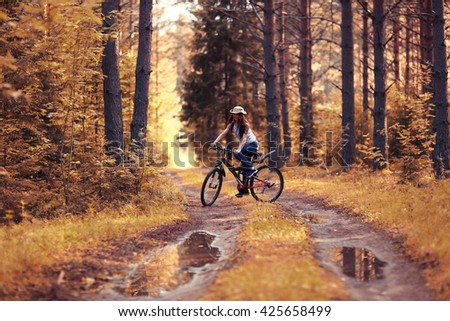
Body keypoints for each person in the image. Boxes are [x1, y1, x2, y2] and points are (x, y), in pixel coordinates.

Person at [212, 105, 259, 197]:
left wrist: (239, 149)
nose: (235, 116)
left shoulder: (245, 125)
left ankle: (252, 169)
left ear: (241, 115)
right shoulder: (232, 124)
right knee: (243, 169)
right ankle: (244, 190)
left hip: (252, 145)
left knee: (236, 153)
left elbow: (244, 139)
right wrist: (215, 142)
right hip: (245, 146)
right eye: (234, 114)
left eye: (237, 114)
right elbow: (224, 133)